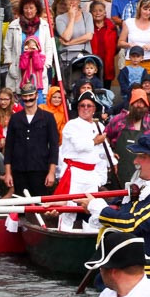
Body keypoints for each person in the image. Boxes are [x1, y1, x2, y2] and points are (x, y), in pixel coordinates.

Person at [74, 134, 150, 276]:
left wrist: (97, 208)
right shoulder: (143, 189)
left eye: (142, 157)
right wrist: (73, 209)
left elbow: (130, 223)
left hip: (148, 279)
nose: (135, 161)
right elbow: (114, 211)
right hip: (120, 274)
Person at [56, 91, 110, 223]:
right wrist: (95, 141)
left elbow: (103, 151)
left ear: (94, 108)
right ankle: (64, 234)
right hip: (75, 173)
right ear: (78, 107)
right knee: (69, 210)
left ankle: (91, 235)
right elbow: (80, 146)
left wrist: (110, 164)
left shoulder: (99, 126)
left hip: (92, 173)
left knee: (93, 208)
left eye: (89, 106)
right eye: (82, 105)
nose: (85, 108)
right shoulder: (72, 125)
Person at [2, 81, 59, 198]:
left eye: (31, 96)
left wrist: (52, 172)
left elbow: (54, 147)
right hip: (19, 169)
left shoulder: (48, 117)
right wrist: (8, 172)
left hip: (40, 169)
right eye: (25, 97)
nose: (28, 99)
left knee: (38, 205)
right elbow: (9, 147)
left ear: (37, 96)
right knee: (20, 207)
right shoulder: (15, 118)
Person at [105, 89, 150, 185]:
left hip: (145, 173)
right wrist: (111, 154)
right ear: (131, 104)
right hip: (120, 171)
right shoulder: (118, 120)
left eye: (142, 103)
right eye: (137, 102)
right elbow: (105, 137)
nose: (139, 105)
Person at [119, 0, 150, 79]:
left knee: (149, 88)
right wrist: (129, 45)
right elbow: (120, 42)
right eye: (145, 9)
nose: (147, 12)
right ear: (140, 9)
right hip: (131, 62)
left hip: (149, 61)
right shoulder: (129, 22)